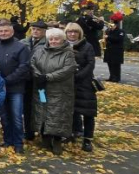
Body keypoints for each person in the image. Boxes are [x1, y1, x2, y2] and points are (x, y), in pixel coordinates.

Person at [0, 19, 31, 154]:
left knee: (16, 116)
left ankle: (18, 143)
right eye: (1, 31)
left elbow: (24, 67)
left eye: (6, 31)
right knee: (4, 116)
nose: (3, 33)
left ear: (12, 32)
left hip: (15, 88)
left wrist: (7, 80)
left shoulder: (21, 47)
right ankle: (8, 140)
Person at [31, 28, 77, 155]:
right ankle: (45, 137)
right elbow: (32, 63)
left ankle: (57, 140)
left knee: (58, 114)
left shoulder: (68, 53)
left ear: (62, 39)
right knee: (43, 110)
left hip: (60, 90)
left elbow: (68, 69)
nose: (53, 41)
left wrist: (48, 77)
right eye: (51, 39)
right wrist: (38, 75)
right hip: (42, 88)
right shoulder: (40, 50)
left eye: (56, 39)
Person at [65, 23, 97, 152]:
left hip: (84, 83)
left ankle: (88, 139)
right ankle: (72, 133)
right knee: (72, 111)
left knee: (88, 112)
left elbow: (90, 64)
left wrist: (78, 75)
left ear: (79, 33)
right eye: (69, 32)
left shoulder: (87, 46)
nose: (72, 34)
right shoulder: (63, 45)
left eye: (75, 32)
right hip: (68, 83)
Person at [21, 20, 48, 141]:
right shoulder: (24, 42)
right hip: (27, 81)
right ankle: (28, 131)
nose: (35, 32)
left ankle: (44, 131)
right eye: (34, 29)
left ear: (44, 31)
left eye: (39, 30)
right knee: (27, 106)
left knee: (43, 104)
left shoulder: (48, 43)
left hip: (41, 82)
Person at [103, 13, 125, 83]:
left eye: (112, 23)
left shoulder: (121, 31)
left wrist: (108, 37)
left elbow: (118, 39)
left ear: (115, 24)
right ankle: (111, 76)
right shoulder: (108, 31)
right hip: (109, 49)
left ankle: (116, 78)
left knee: (116, 65)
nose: (110, 24)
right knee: (110, 63)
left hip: (116, 50)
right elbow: (106, 38)